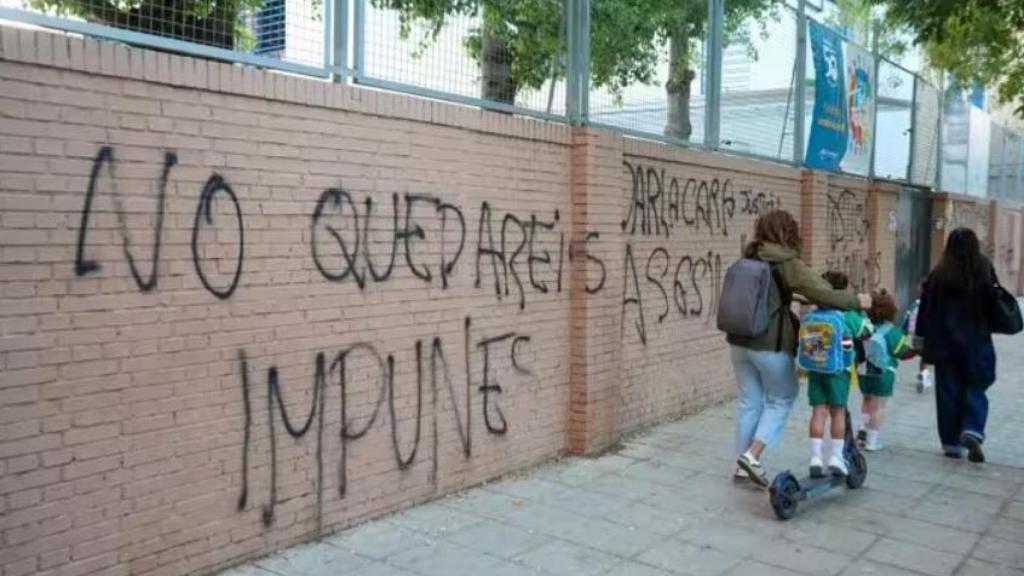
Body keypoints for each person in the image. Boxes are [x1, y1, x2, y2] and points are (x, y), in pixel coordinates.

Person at [729, 210, 872, 487]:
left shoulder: (748, 257)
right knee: (782, 398)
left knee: (750, 402)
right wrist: (858, 300)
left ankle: (743, 465)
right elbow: (824, 291)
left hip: (738, 343)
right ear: (787, 233)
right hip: (768, 343)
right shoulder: (785, 261)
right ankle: (751, 455)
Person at [916, 228, 998, 463]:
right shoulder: (983, 269)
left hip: (944, 343)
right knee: (977, 384)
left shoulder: (939, 274)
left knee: (947, 392)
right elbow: (995, 302)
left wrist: (920, 337)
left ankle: (951, 443)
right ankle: (972, 428)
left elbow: (925, 309)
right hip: (977, 341)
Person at [806, 272, 873, 477]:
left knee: (818, 411)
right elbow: (867, 331)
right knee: (838, 412)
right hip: (839, 371)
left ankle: (815, 458)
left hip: (816, 369)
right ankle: (836, 457)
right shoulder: (848, 314)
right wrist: (862, 312)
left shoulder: (814, 312)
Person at [857, 289, 916, 452]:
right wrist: (918, 350)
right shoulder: (891, 330)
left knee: (866, 401)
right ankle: (872, 441)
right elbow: (903, 353)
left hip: (862, 371)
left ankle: (862, 429)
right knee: (879, 406)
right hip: (883, 373)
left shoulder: (864, 326)